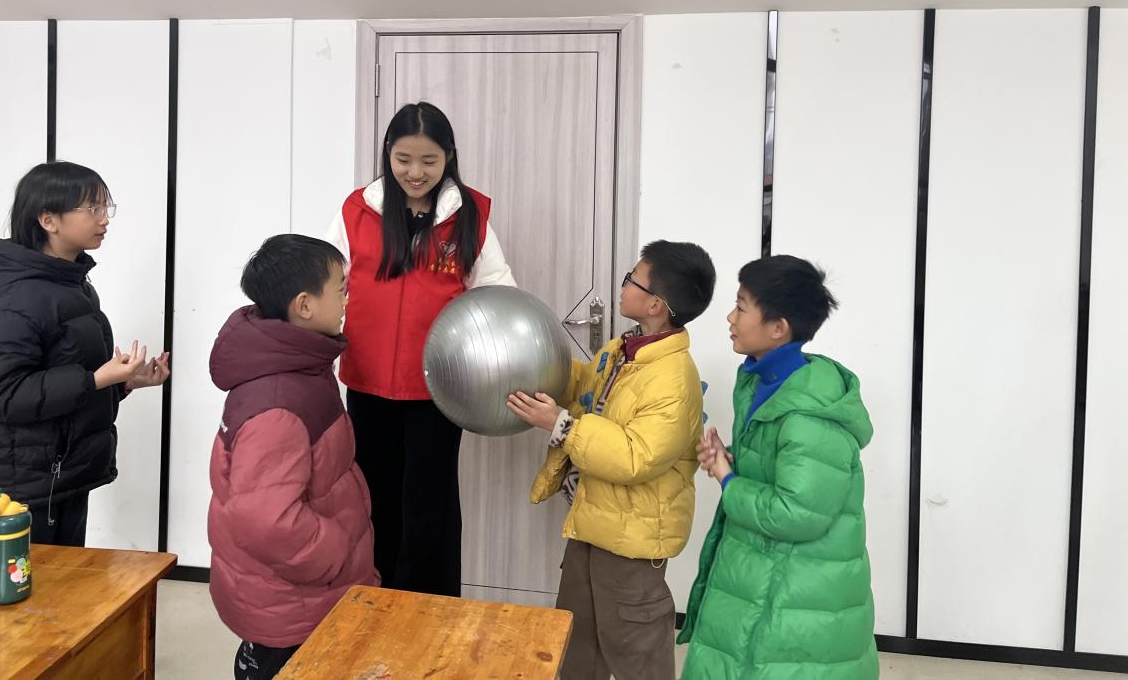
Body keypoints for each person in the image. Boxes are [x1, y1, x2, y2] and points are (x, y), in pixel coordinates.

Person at [327, 101, 514, 596]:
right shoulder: (357, 210)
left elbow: (497, 296)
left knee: (430, 506)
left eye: (429, 161)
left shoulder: (469, 215)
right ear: (388, 153)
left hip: (439, 391)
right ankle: (374, 600)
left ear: (448, 156)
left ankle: (431, 612)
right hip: (366, 382)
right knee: (373, 499)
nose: (415, 172)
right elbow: (328, 287)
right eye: (403, 159)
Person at [508, 240, 716, 680]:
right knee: (576, 638)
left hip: (633, 541)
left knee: (634, 647)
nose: (622, 286)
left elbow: (634, 457)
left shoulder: (674, 379)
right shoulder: (623, 350)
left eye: (631, 279)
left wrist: (561, 425)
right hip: (593, 521)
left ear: (656, 304)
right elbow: (586, 387)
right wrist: (542, 363)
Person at [679, 255, 878, 680]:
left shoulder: (809, 416)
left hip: (797, 593)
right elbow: (779, 467)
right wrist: (731, 458)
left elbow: (797, 512)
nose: (730, 318)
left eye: (741, 307)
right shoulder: (764, 382)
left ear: (778, 328)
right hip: (764, 574)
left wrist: (727, 477)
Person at [0, 161, 169, 546]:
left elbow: (59, 382)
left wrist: (122, 383)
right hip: (23, 483)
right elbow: (2, 395)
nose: (104, 219)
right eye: (92, 208)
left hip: (57, 473)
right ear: (48, 220)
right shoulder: (18, 298)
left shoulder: (71, 284)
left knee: (65, 580)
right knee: (25, 582)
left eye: (106, 207)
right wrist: (96, 379)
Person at [207, 234, 377, 680]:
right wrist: (335, 551)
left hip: (296, 592)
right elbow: (264, 519)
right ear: (304, 306)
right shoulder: (279, 401)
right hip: (295, 599)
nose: (347, 299)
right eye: (340, 289)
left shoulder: (298, 366)